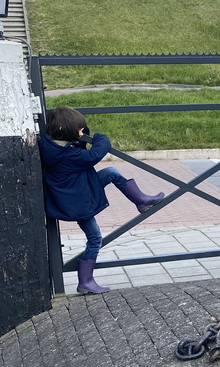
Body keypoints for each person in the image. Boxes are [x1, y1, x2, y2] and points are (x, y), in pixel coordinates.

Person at [38, 106, 164, 294]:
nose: (83, 132)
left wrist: (80, 135)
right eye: (80, 129)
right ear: (67, 131)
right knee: (95, 238)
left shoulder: (55, 148)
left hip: (78, 190)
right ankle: (85, 281)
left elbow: (78, 147)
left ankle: (141, 200)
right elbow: (94, 155)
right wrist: (100, 139)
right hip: (78, 202)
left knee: (111, 172)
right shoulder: (70, 155)